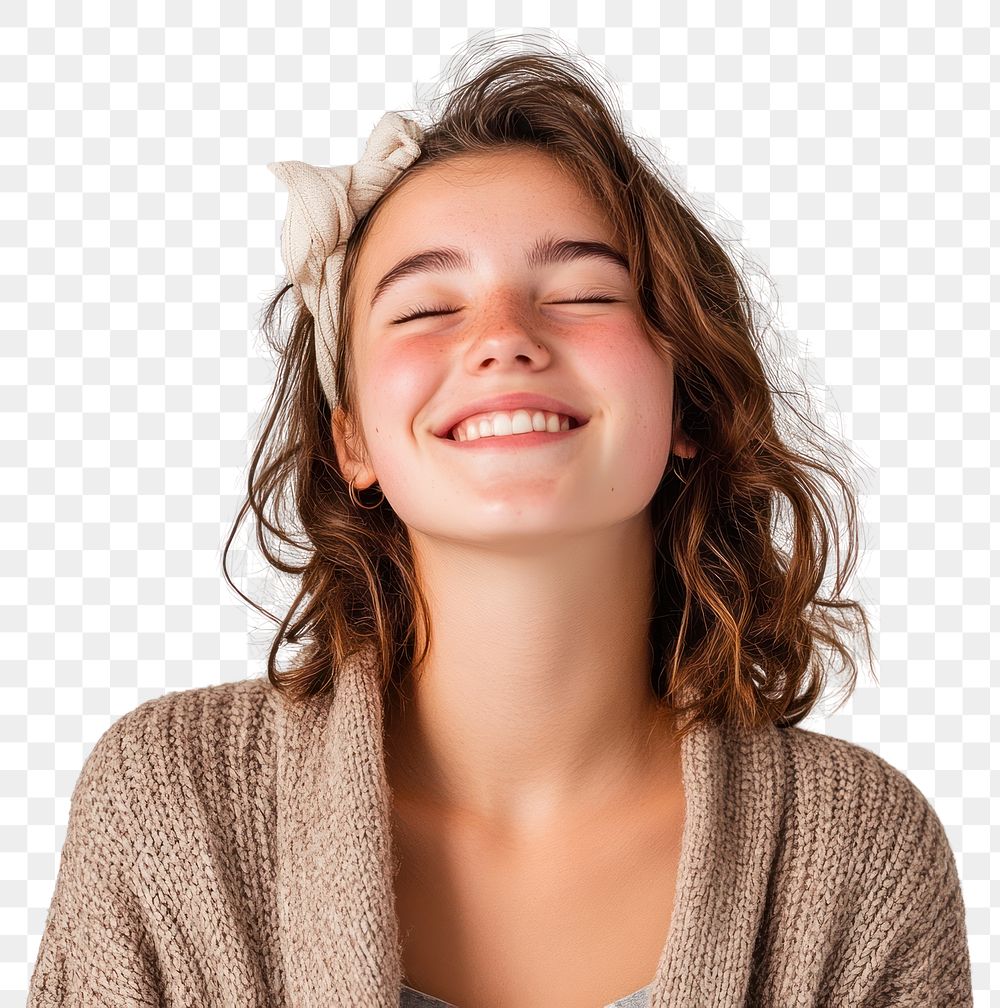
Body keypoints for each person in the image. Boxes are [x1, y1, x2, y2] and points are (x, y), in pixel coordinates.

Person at [28, 35, 973, 1008]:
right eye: (426, 308)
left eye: (580, 295)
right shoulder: (169, 805)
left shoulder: (859, 847)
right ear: (350, 438)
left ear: (685, 402)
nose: (504, 341)